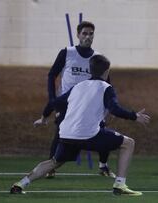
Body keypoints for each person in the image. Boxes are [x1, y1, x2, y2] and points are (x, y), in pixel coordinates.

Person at [10, 54, 150, 196]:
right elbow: (114, 109)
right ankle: (120, 185)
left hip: (65, 134)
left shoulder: (77, 86)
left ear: (90, 70)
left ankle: (20, 184)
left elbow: (54, 103)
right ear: (107, 71)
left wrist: (43, 118)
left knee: (54, 162)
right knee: (128, 143)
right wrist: (134, 116)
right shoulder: (106, 87)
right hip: (88, 135)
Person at [34, 21, 115, 178]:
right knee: (60, 134)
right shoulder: (67, 53)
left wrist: (108, 107)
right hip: (68, 102)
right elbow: (52, 75)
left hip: (90, 103)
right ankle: (51, 167)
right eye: (84, 33)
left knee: (102, 131)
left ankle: (103, 166)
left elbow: (107, 83)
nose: (87, 36)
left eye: (91, 34)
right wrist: (52, 98)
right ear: (78, 35)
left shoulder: (98, 57)